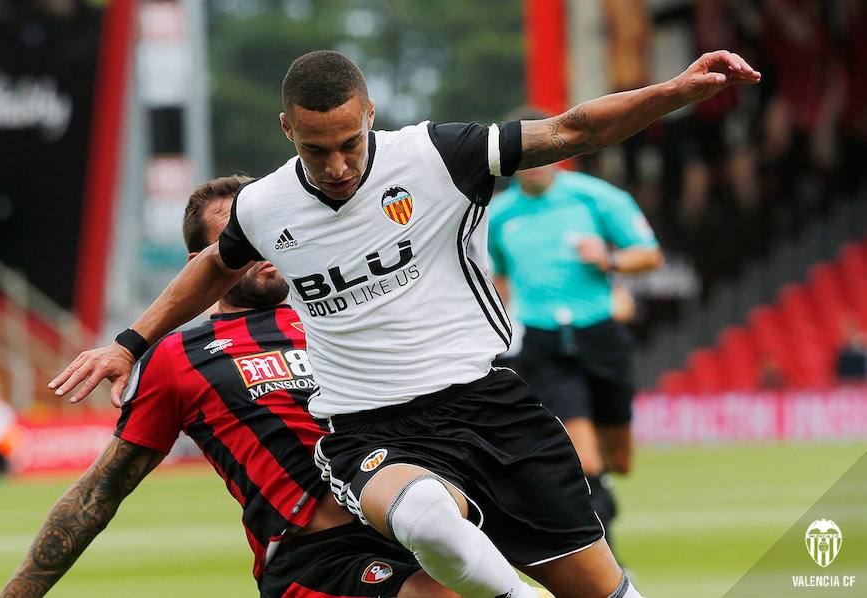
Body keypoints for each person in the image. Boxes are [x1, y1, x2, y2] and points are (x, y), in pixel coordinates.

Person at [50, 49, 759, 597]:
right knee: (423, 521)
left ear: (369, 113)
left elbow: (572, 128)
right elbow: (214, 264)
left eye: (349, 144)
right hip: (372, 428)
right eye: (314, 148)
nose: (335, 165)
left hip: (490, 407)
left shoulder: (439, 155)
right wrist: (129, 342)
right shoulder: (264, 207)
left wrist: (674, 92)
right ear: (287, 129)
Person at [2, 176, 457, 598]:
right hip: (319, 559)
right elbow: (100, 492)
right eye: (239, 240)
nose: (262, 247)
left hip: (413, 522)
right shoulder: (177, 357)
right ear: (199, 265)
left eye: (269, 230)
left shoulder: (337, 318)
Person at [487, 110, 662, 547]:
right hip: (543, 344)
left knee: (617, 459)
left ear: (558, 149)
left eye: (543, 150)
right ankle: (610, 566)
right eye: (526, 154)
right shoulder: (497, 217)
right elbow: (499, 280)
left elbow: (649, 255)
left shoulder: (596, 198)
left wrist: (611, 259)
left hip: (600, 336)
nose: (536, 161)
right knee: (582, 459)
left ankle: (604, 493)